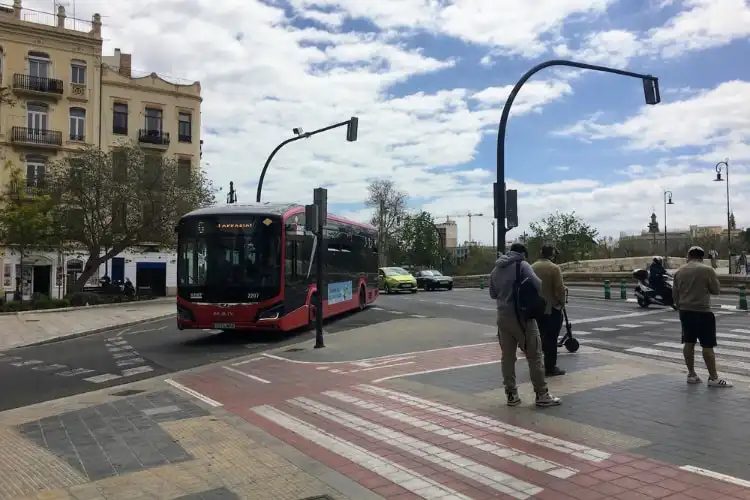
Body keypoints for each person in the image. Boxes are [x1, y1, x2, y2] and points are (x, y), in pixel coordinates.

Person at [489, 242, 561, 408]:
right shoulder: (522, 265)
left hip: (502, 318)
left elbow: (493, 293)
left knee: (507, 357)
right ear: (523, 254)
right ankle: (542, 394)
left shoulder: (496, 269)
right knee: (534, 355)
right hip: (522, 317)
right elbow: (538, 285)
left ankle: (511, 395)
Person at [673, 246, 732, 388]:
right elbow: (716, 290)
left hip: (685, 312)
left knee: (688, 342)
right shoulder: (707, 270)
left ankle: (692, 374)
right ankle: (713, 377)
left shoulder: (679, 271)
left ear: (688, 256)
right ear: (702, 257)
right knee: (707, 345)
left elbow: (675, 296)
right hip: (703, 312)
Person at [531, 244, 567, 377]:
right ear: (552, 254)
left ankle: (536, 365)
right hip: (551, 309)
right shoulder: (554, 268)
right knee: (551, 338)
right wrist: (561, 302)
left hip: (535, 308)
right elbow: (559, 288)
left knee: (538, 337)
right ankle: (550, 367)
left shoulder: (532, 267)